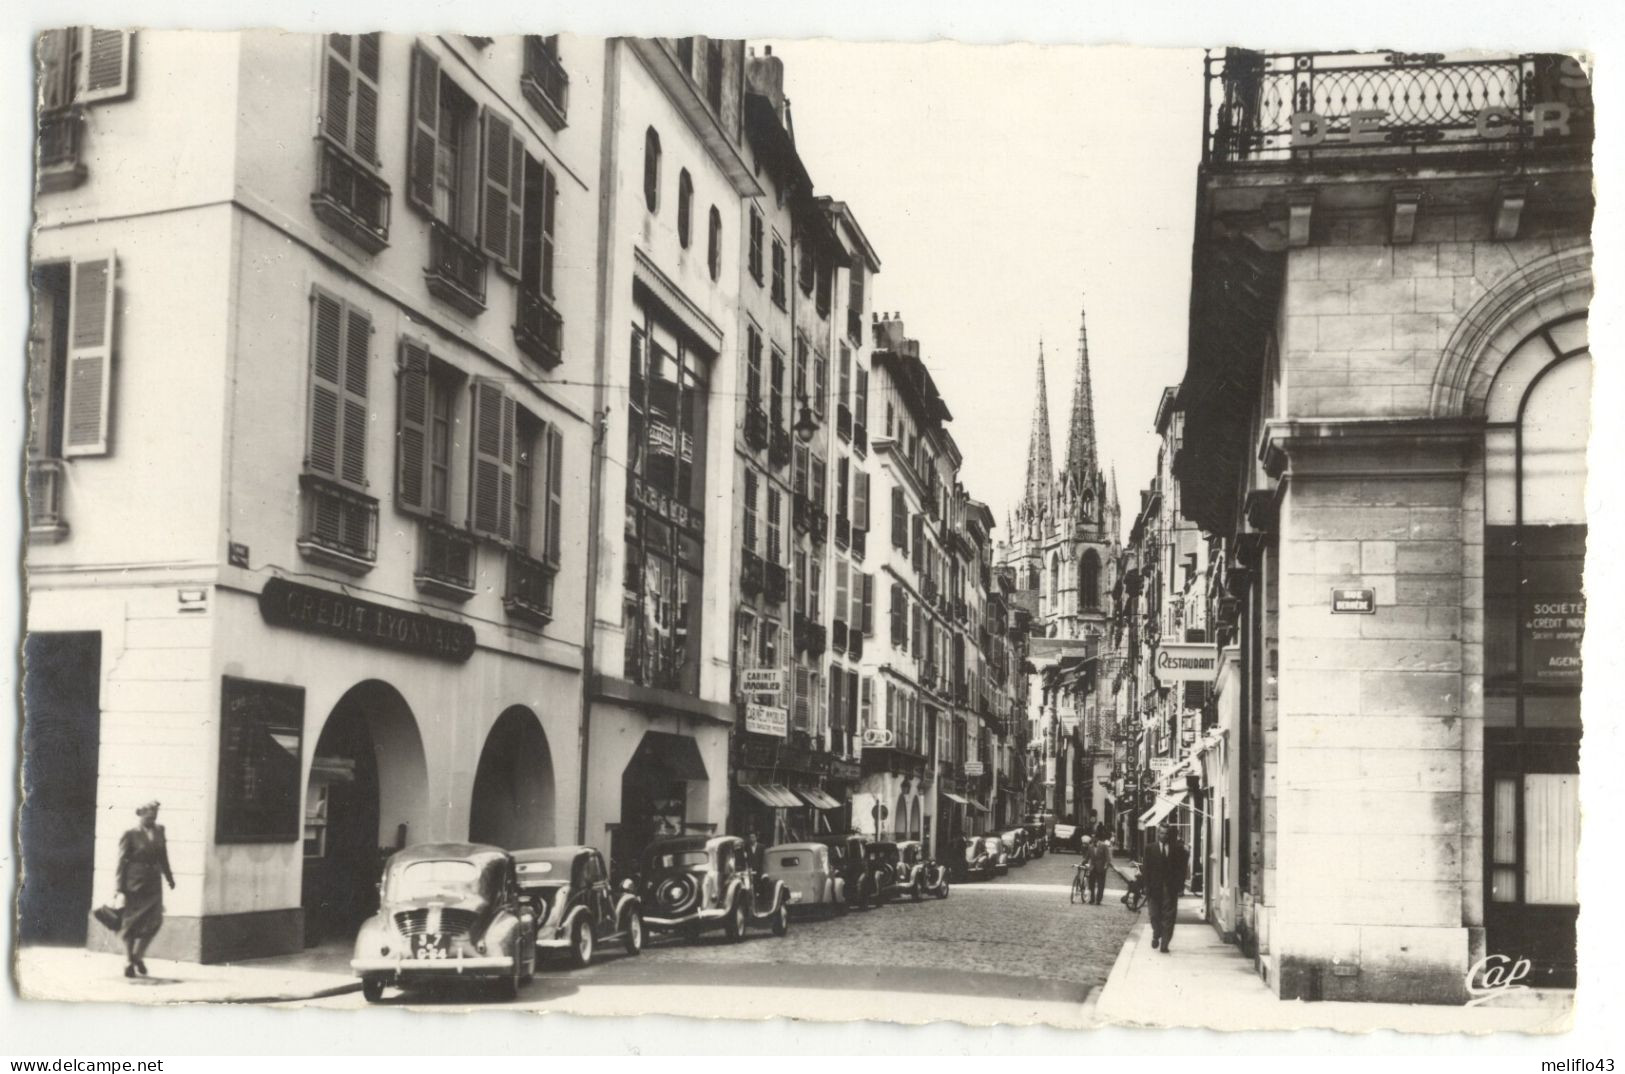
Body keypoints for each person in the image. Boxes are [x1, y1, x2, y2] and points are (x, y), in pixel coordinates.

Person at [115, 800, 175, 978]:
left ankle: (137, 956)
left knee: (155, 922)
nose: (153, 817)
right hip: (134, 885)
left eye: (155, 814)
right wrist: (119, 889)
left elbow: (163, 856)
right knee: (131, 924)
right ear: (140, 814)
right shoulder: (130, 834)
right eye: (149, 814)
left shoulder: (160, 830)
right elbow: (121, 863)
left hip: (154, 884)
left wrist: (169, 877)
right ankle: (128, 960)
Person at [1140, 822, 1188, 953]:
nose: (1164, 836)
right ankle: (1156, 933)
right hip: (1154, 888)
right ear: (1158, 834)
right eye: (1161, 833)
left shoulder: (1176, 849)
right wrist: (1146, 886)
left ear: (1169, 835)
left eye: (1166, 833)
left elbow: (1181, 868)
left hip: (1170, 888)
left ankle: (1165, 944)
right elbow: (1146, 869)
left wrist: (1180, 886)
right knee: (1154, 915)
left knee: (1169, 916)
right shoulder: (1150, 849)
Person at [1086, 831, 1113, 905]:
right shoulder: (1090, 847)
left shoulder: (1103, 846)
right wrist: (1083, 863)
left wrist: (1106, 866)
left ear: (1097, 838)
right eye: (1092, 837)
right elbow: (1087, 857)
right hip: (1092, 868)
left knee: (1101, 885)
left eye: (1094, 837)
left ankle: (1098, 899)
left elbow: (1108, 858)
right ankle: (1092, 898)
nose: (1092, 838)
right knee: (1091, 884)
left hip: (1101, 868)